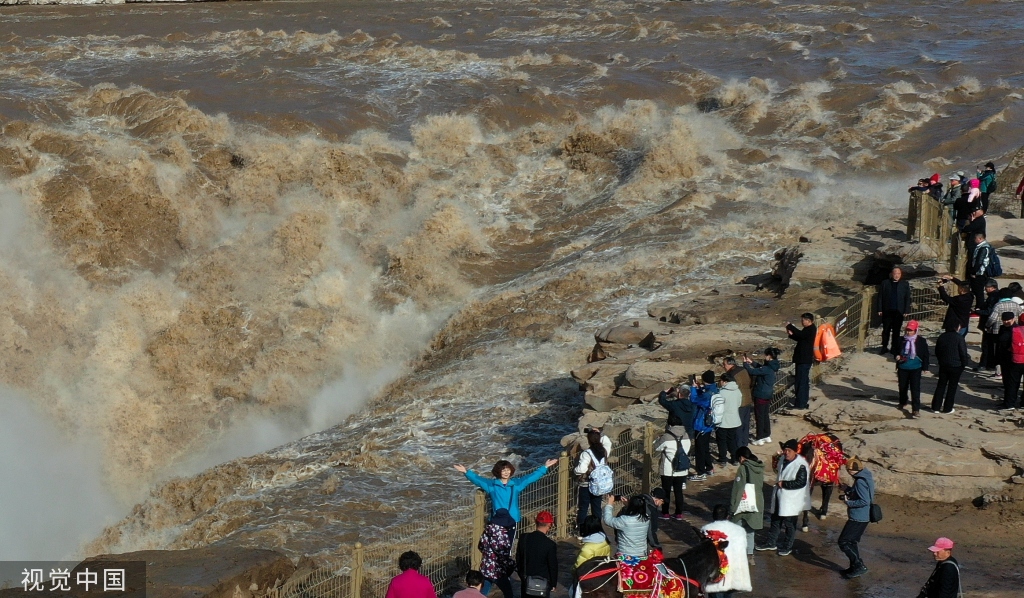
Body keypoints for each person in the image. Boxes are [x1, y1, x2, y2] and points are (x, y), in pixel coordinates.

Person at [455, 458, 557, 597]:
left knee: (506, 550)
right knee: (493, 550)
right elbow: (478, 480)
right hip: (496, 522)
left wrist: (544, 467)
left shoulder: (516, 484)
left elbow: (530, 478)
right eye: (503, 470)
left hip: (511, 522)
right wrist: (466, 472)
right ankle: (499, 574)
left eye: (508, 469)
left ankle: (498, 574)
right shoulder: (492, 485)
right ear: (498, 471)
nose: (506, 472)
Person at [756, 439, 809, 557]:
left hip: (792, 500)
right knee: (775, 520)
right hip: (780, 496)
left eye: (789, 450)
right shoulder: (782, 460)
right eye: (785, 450)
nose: (786, 453)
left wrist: (784, 484)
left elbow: (801, 482)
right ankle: (771, 542)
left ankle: (787, 546)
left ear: (795, 451)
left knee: (790, 524)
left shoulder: (801, 465)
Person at [702, 504, 752, 597]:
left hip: (716, 573)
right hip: (734, 571)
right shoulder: (739, 530)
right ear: (728, 516)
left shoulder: (707, 529)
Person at [837, 457, 875, 579]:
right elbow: (860, 494)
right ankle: (854, 567)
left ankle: (859, 566)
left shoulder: (860, 481)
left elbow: (864, 500)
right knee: (851, 542)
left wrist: (849, 502)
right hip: (862, 517)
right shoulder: (865, 477)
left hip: (858, 517)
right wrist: (847, 489)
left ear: (850, 470)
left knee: (843, 542)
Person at [729, 446, 764, 563]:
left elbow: (738, 490)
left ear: (741, 457)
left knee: (735, 529)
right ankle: (750, 556)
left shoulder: (743, 468)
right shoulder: (758, 467)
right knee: (750, 531)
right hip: (757, 502)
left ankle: (735, 556)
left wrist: (732, 508)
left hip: (744, 504)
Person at [574, 430, 611, 530]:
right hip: (599, 484)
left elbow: (581, 469)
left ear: (588, 440)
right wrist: (600, 433)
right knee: (596, 508)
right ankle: (597, 528)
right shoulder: (604, 451)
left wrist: (575, 470)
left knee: (583, 508)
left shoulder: (586, 453)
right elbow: (608, 442)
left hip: (586, 485)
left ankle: (581, 530)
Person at [516, 511, 558, 598]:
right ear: (549, 525)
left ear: (536, 522)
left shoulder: (524, 538)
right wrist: (553, 583)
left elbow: (518, 558)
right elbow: (553, 566)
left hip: (526, 581)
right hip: (543, 583)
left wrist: (522, 575)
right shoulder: (550, 544)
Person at [744, 348, 780, 445]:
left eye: (766, 355)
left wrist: (745, 364)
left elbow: (753, 372)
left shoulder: (767, 368)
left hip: (761, 394)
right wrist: (752, 362)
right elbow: (761, 369)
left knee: (759, 416)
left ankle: (759, 437)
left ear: (769, 356)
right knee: (765, 415)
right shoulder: (773, 366)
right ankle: (766, 435)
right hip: (768, 394)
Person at [654, 424, 690, 519]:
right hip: (681, 468)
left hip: (668, 469)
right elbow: (687, 448)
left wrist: (657, 440)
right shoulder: (686, 435)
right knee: (678, 491)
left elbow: (657, 448)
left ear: (670, 425)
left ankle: (665, 513)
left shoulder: (666, 437)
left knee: (666, 491)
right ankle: (678, 513)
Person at [932, 323, 969, 414]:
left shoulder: (942, 337)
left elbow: (937, 351)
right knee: (952, 387)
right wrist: (964, 364)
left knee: (941, 385)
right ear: (957, 327)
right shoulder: (959, 338)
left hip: (944, 365)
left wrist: (940, 361)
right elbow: (963, 353)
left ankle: (936, 407)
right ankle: (947, 408)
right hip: (956, 366)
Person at [896, 320, 930, 418]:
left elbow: (925, 355)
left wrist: (925, 367)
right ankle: (903, 402)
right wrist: (897, 355)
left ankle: (916, 409)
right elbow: (895, 349)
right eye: (907, 330)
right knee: (902, 387)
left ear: (915, 330)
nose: (908, 332)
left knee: (915, 388)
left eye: (911, 330)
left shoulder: (921, 341)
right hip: (903, 367)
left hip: (916, 368)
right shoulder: (901, 339)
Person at [689, 371, 718, 481]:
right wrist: (699, 388)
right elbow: (703, 394)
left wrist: (693, 389)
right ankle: (709, 467)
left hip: (701, 424)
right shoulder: (714, 389)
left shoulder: (707, 394)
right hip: (709, 424)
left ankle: (700, 472)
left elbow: (694, 400)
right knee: (705, 447)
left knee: (699, 449)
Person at [602, 494, 650, 558]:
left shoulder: (624, 520)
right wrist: (629, 504)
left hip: (625, 555)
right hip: (641, 554)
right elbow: (637, 509)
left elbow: (608, 520)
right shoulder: (646, 518)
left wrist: (609, 504)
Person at [878, 267, 911, 356]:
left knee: (896, 331)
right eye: (895, 273)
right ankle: (884, 346)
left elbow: (907, 298)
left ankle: (894, 348)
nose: (897, 275)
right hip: (887, 310)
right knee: (886, 330)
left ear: (901, 274)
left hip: (899, 311)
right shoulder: (885, 283)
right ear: (892, 274)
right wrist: (880, 309)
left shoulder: (905, 284)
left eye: (899, 274)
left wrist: (906, 310)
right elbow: (880, 297)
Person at [786, 314, 817, 410]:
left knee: (801, 382)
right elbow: (800, 338)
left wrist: (790, 326)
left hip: (804, 360)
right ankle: (802, 402)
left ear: (808, 320)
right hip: (802, 359)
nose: (802, 322)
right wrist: (791, 334)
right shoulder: (808, 329)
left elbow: (801, 335)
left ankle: (800, 404)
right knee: (803, 381)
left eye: (803, 320)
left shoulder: (811, 329)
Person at [714, 372, 743, 466]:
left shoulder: (722, 392)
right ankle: (734, 458)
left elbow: (718, 407)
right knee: (732, 440)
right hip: (734, 420)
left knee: (721, 441)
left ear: (725, 381)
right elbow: (739, 404)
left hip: (723, 421)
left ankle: (722, 459)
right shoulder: (738, 391)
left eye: (721, 381)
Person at [723, 357, 753, 447]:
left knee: (738, 425)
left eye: (724, 364)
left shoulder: (732, 375)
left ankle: (739, 445)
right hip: (748, 399)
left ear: (730, 364)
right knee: (746, 423)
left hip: (739, 402)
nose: (723, 367)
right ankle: (745, 442)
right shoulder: (743, 370)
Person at [967, 232, 996, 309]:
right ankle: (978, 307)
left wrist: (974, 272)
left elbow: (979, 262)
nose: (974, 240)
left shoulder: (983, 248)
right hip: (979, 273)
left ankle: (979, 308)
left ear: (980, 239)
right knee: (977, 291)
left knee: (979, 292)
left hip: (980, 273)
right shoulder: (981, 247)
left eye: (975, 238)